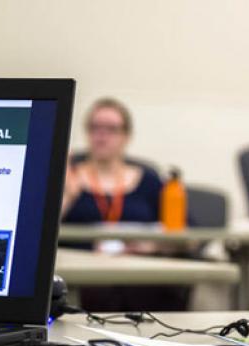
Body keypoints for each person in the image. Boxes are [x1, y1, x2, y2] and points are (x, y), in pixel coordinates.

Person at [62, 98, 191, 312]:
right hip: (86, 277)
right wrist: (68, 194)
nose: (102, 136)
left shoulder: (149, 180)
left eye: (111, 129)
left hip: (140, 275)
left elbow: (186, 234)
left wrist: (152, 245)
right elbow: (42, 234)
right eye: (95, 127)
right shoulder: (69, 177)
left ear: (126, 136)